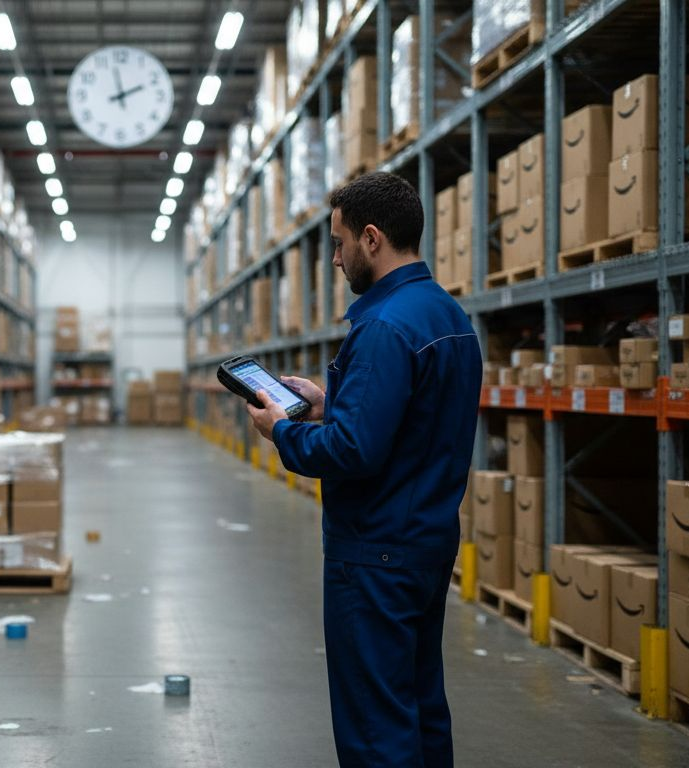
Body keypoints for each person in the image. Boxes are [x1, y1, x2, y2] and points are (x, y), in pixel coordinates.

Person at [245, 172, 482, 768]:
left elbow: (353, 452)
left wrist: (284, 431)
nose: (334, 258)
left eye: (340, 241)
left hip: (375, 551)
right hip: (426, 542)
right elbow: (412, 420)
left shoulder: (381, 326)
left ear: (371, 239)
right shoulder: (445, 314)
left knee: (376, 725)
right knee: (420, 706)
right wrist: (331, 404)